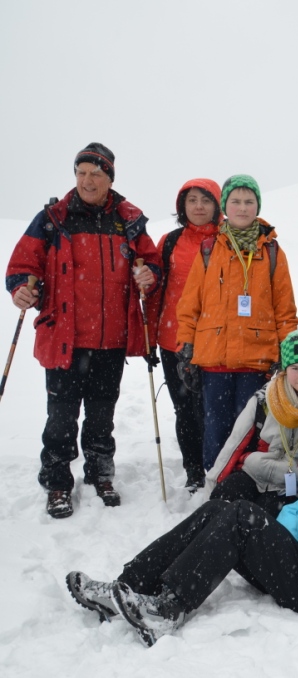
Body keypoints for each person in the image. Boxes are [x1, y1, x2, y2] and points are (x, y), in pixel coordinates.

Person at [65, 401, 298, 647]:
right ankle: (129, 584)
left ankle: (169, 609)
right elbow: (291, 516)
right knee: (218, 508)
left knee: (241, 517)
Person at [5, 142, 160, 518]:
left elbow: (152, 263)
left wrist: (149, 275)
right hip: (65, 338)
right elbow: (22, 266)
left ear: (110, 179)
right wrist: (22, 289)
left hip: (111, 340)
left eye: (96, 174)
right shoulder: (53, 218)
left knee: (102, 416)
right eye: (81, 173)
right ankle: (57, 481)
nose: (87, 181)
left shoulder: (128, 220)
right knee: (60, 417)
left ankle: (100, 473)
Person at [176, 174, 298, 471]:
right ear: (225, 206)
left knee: (250, 430)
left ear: (258, 206)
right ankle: (213, 482)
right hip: (214, 360)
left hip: (257, 361)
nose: (242, 208)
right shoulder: (208, 249)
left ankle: (245, 482)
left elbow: (284, 311)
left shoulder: (272, 251)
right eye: (236, 201)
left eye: (249, 201)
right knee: (216, 428)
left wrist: (287, 353)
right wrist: (185, 346)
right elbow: (190, 305)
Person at [206, 330, 298, 515]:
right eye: (295, 368)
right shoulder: (265, 399)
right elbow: (234, 445)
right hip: (252, 472)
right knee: (221, 503)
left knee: (263, 518)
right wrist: (214, 482)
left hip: (293, 485)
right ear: (285, 369)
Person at [154, 178, 222, 492]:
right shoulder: (170, 242)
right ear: (182, 205)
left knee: (214, 409)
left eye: (205, 200)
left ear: (217, 205)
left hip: (217, 341)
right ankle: (194, 470)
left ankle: (217, 466)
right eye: (191, 200)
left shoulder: (227, 239)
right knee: (184, 410)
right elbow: (156, 291)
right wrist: (148, 337)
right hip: (174, 340)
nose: (198, 207)